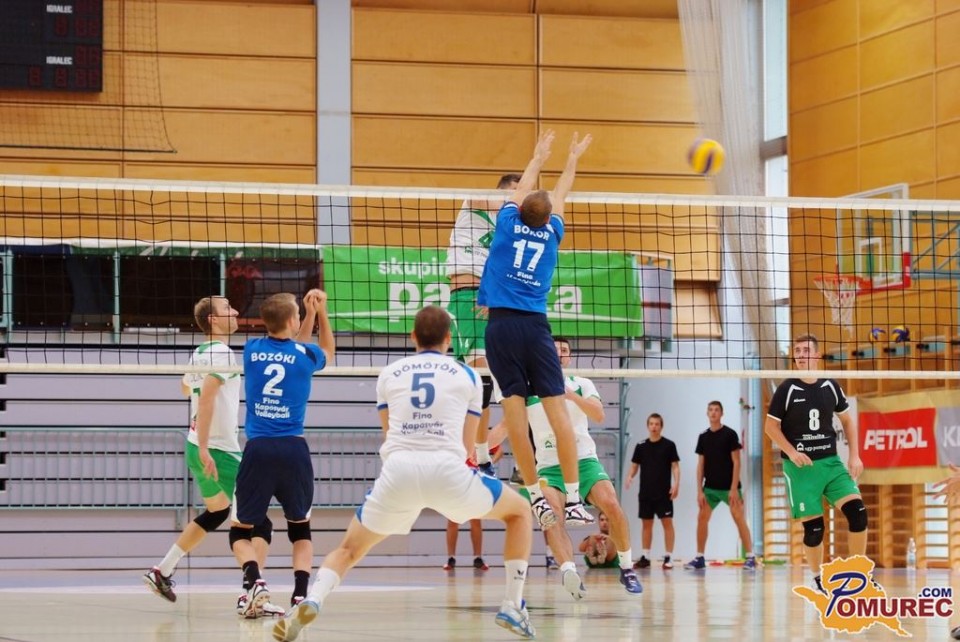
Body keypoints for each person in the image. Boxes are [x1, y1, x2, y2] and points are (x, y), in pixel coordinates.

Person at [273, 306, 536, 641]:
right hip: (447, 470)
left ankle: (313, 599)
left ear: (413, 336)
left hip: (398, 472)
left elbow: (389, 434)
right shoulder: (468, 375)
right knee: (520, 511)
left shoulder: (390, 373)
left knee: (349, 549)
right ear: (448, 339)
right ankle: (513, 605)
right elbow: (467, 445)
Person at [477, 129, 594, 530]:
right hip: (536, 328)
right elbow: (561, 194)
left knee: (514, 414)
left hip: (501, 328)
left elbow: (524, 187)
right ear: (547, 219)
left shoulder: (507, 222)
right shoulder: (553, 233)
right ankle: (574, 500)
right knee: (557, 412)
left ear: (519, 208)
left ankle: (535, 495)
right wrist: (572, 158)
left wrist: (538, 157)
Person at [142, 296, 280, 616]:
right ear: (213, 320)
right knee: (259, 522)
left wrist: (201, 441)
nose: (235, 311)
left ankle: (162, 570)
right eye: (228, 308)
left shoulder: (201, 352)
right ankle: (251, 593)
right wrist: (207, 446)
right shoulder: (222, 353)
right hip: (216, 449)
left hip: (195, 443)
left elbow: (184, 388)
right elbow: (205, 399)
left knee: (217, 513)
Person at [230, 289, 335, 617]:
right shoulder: (305, 356)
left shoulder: (251, 349)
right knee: (300, 529)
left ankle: (255, 580)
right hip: (293, 450)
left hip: (258, 450)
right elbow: (325, 351)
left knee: (239, 532)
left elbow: (290, 345)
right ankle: (300, 596)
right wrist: (319, 313)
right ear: (292, 320)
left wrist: (305, 315)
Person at [521, 336, 642, 597]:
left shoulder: (582, 383)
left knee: (612, 505)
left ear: (569, 357)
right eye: (554, 349)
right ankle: (569, 572)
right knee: (552, 514)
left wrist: (569, 395)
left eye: (564, 350)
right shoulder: (529, 388)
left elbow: (598, 414)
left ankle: (626, 568)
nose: (559, 353)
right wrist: (480, 449)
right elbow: (508, 424)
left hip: (585, 461)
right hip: (550, 467)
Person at [764, 334, 866, 594]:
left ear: (817, 355)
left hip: (831, 464)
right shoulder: (787, 389)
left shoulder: (831, 386)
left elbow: (848, 421)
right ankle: (817, 578)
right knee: (814, 530)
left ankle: (859, 573)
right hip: (801, 470)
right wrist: (791, 452)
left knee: (858, 514)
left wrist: (854, 456)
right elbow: (770, 427)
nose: (801, 355)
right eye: (797, 351)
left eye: (806, 350)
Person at [446, 173, 521, 476]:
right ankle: (478, 455)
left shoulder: (509, 230)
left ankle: (480, 455)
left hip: (488, 301)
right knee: (479, 381)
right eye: (516, 192)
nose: (520, 198)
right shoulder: (474, 204)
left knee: (484, 382)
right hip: (466, 298)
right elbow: (494, 201)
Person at [684, 401, 758, 571]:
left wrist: (733, 488)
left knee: (739, 518)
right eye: (710, 410)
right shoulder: (703, 437)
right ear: (707, 413)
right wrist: (699, 491)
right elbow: (700, 465)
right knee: (702, 518)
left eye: (716, 410)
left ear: (721, 413)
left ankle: (750, 557)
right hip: (710, 488)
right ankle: (700, 557)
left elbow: (737, 462)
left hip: (729, 488)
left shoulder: (730, 434)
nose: (713, 413)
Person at [625, 412, 680, 570]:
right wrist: (630, 476)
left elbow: (675, 466)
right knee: (646, 524)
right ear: (647, 426)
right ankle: (646, 556)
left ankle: (668, 556)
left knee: (667, 523)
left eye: (657, 424)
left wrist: (676, 484)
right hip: (646, 493)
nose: (654, 427)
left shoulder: (669, 445)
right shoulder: (641, 446)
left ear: (661, 426)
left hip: (664, 493)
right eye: (651, 424)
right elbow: (634, 465)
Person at [443, 442, 502, 571]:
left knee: (475, 521)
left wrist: (489, 463)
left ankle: (478, 558)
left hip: (474, 481)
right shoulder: (458, 435)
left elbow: (499, 451)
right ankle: (450, 558)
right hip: (457, 481)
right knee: (452, 520)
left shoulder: (481, 436)